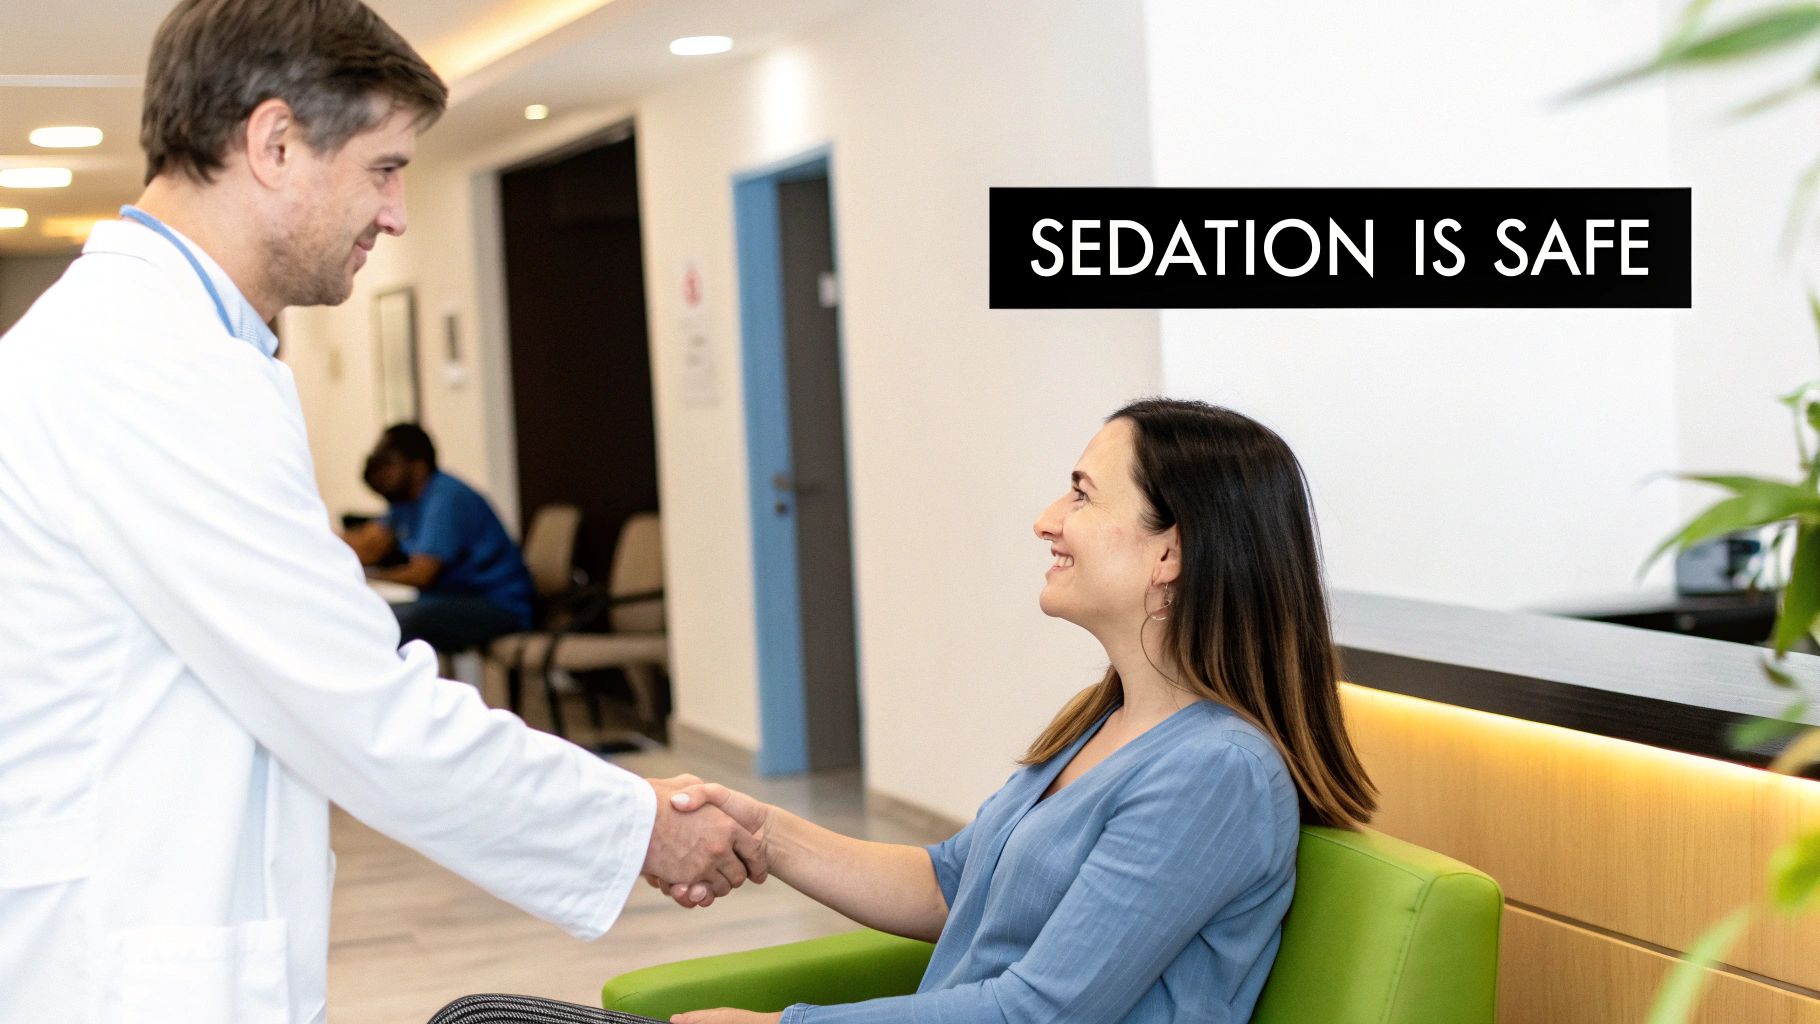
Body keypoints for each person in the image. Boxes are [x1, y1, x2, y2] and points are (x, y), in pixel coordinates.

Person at [0, 2, 758, 1021]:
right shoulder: (151, 366)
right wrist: (639, 825)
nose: (396, 213)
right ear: (274, 142)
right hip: (110, 965)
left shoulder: (170, 347)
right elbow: (363, 709)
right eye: (384, 168)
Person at [649, 399, 1380, 1024]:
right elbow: (950, 886)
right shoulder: (1102, 720)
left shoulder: (1216, 772)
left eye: (1082, 496)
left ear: (1170, 555)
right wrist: (765, 834)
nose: (1046, 521)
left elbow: (1038, 1014)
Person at [345, 423, 537, 652]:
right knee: (363, 614)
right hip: (450, 600)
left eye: (389, 462)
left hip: (498, 604)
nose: (381, 471)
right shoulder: (404, 502)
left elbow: (422, 574)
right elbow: (370, 544)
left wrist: (367, 575)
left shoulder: (445, 497)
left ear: (418, 467)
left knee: (388, 622)